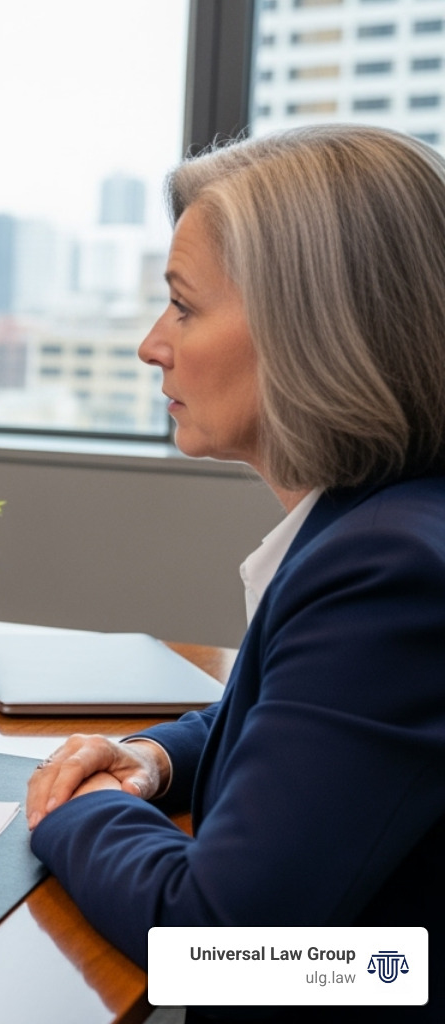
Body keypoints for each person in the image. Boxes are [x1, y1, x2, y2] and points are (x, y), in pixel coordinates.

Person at [25, 125, 445, 1010]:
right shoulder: (393, 521)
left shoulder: (388, 571)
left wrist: (71, 809)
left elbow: (214, 941)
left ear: (312, 328)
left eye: (183, 306)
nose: (152, 345)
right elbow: (313, 733)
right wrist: (153, 760)